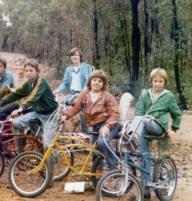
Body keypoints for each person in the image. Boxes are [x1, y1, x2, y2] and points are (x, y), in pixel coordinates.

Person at [129, 68, 182, 199]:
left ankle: (131, 136)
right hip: (144, 127)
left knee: (143, 120)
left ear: (165, 82)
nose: (157, 84)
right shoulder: (144, 95)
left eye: (160, 81)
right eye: (155, 81)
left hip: (159, 127)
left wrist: (173, 129)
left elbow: (177, 114)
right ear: (151, 81)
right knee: (144, 155)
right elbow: (138, 113)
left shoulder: (168, 96)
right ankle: (146, 185)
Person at [59, 70, 121, 169]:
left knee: (102, 142)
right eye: (94, 80)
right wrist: (65, 116)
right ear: (90, 81)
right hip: (96, 127)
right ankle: (97, 176)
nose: (97, 82)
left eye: (100, 81)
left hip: (110, 125)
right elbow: (76, 107)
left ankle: (115, 167)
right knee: (95, 150)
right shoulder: (84, 94)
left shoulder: (107, 96)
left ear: (103, 84)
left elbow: (115, 113)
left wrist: (107, 126)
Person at [0, 59, 58, 152]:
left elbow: (32, 97)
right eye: (26, 71)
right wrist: (0, 103)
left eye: (31, 71)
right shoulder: (28, 84)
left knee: (48, 146)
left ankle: (49, 165)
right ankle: (20, 154)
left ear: (37, 71)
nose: (28, 73)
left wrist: (20, 109)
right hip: (38, 112)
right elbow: (16, 94)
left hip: (50, 115)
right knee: (16, 123)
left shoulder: (41, 82)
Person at [55, 47, 93, 132]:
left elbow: (88, 83)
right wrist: (58, 90)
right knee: (61, 110)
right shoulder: (69, 69)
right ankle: (64, 133)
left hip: (83, 94)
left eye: (76, 55)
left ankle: (86, 134)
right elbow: (64, 83)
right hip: (71, 94)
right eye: (72, 55)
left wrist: (81, 94)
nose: (74, 57)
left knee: (83, 115)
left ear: (80, 56)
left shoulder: (86, 67)